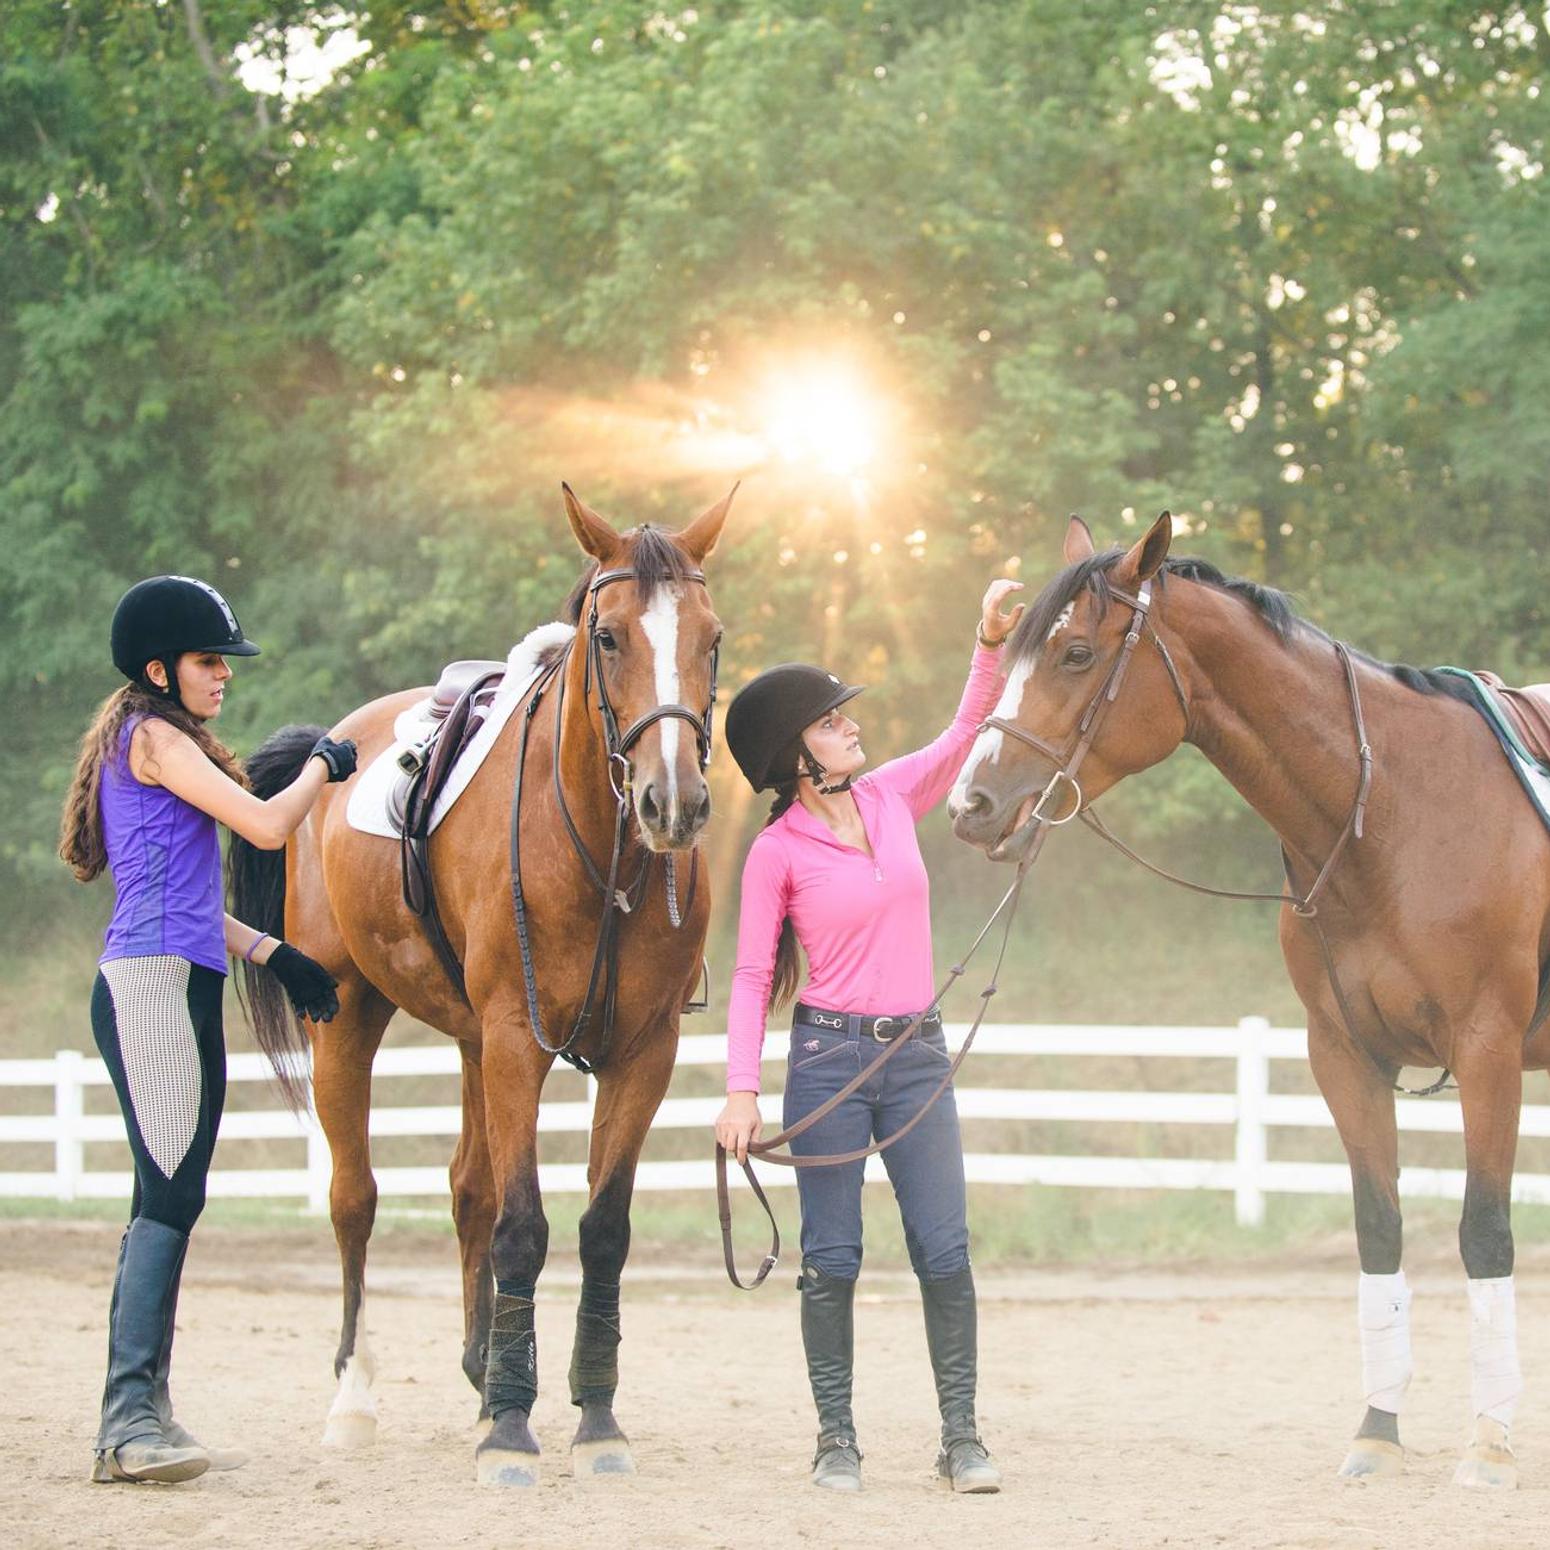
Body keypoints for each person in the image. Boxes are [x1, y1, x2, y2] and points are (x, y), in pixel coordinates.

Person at [717, 576, 1024, 1494]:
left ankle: (961, 1438)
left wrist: (987, 640)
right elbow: (748, 976)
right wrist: (741, 1087)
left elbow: (967, 730)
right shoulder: (777, 854)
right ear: (797, 755)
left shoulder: (892, 796)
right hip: (829, 1063)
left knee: (945, 1248)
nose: (852, 723)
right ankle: (836, 1441)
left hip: (917, 1056)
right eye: (832, 719)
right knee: (833, 1260)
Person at [58, 575, 357, 1484]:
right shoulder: (151, 736)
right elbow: (266, 829)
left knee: (172, 1193)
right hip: (152, 987)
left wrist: (273, 953)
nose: (222, 674)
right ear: (160, 669)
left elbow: (180, 897)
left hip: (183, 977)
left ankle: (139, 1414)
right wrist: (323, 764)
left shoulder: (158, 739)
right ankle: (128, 1423)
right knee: (168, 1196)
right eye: (206, 660)